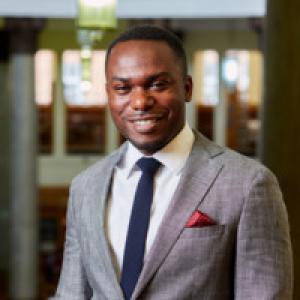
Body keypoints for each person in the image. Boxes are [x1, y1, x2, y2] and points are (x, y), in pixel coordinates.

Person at [53, 25, 293, 300]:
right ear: (109, 94)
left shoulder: (248, 183)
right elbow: (71, 293)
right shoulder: (85, 186)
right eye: (123, 88)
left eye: (157, 85)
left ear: (187, 88)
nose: (140, 101)